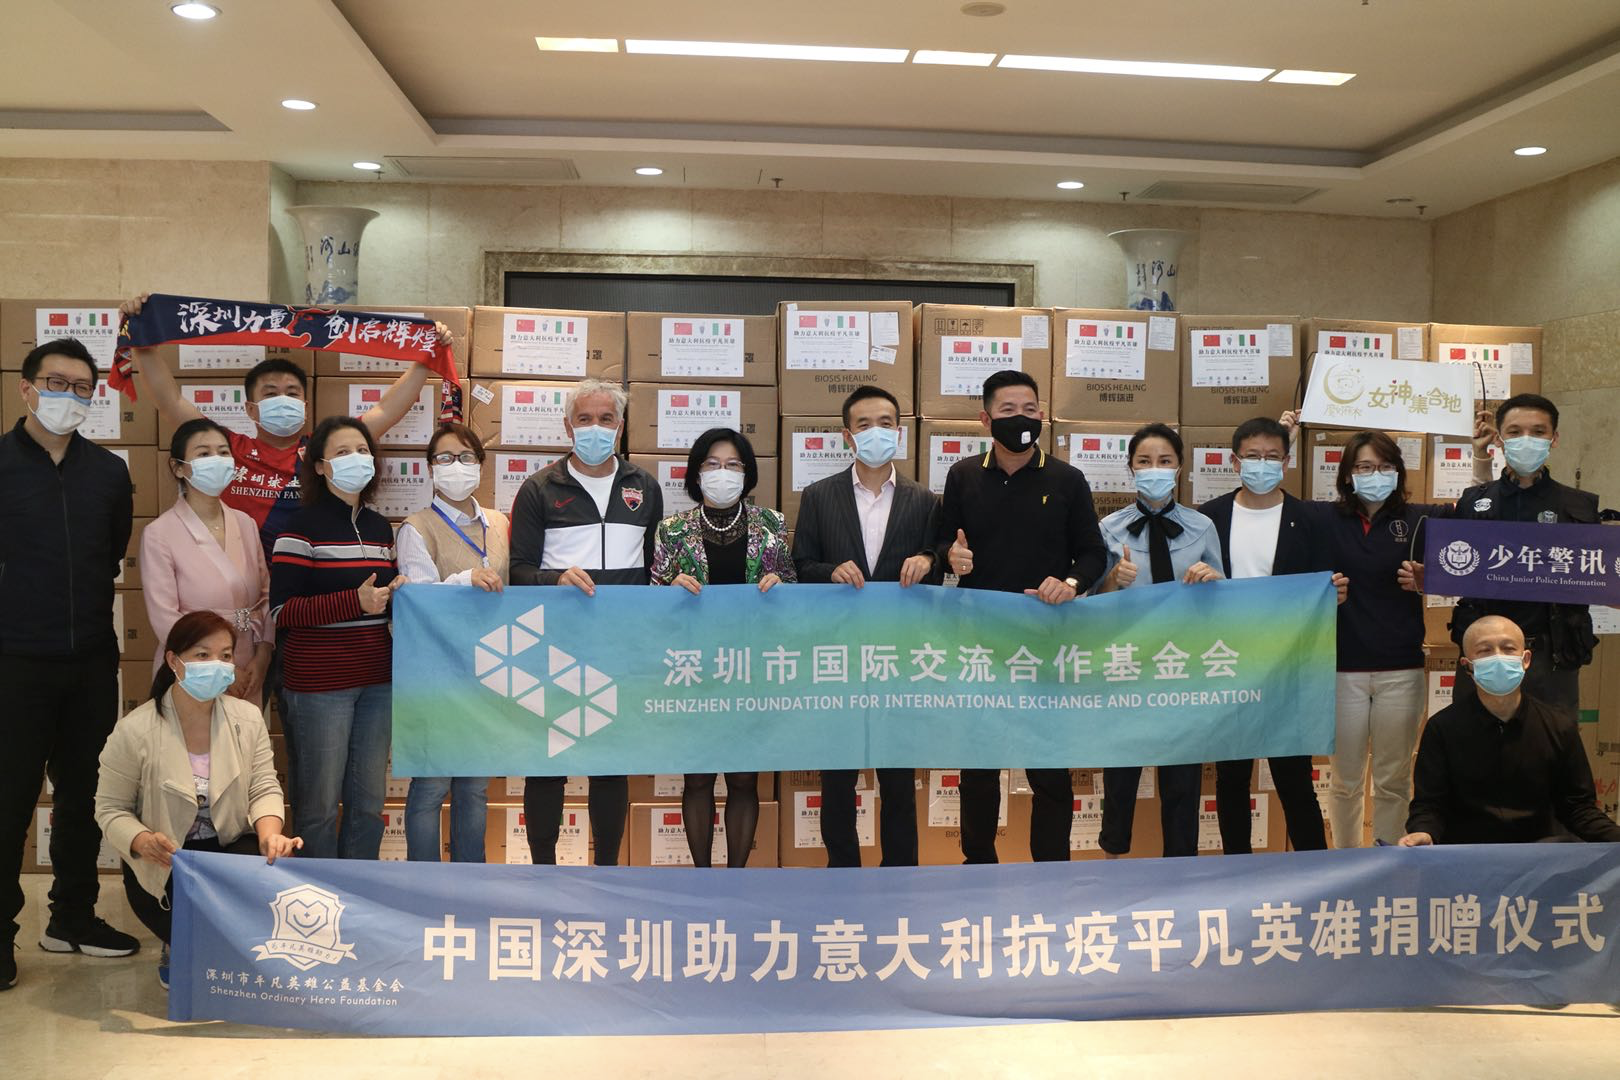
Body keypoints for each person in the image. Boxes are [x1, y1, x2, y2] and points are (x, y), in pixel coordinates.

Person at [1280, 411, 1494, 847]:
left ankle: (1388, 859)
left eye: (1383, 466)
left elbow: (1477, 521)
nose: (1374, 474)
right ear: (1347, 474)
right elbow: (1275, 506)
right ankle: (1346, 861)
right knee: (1344, 780)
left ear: (1398, 471)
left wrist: (1480, 458)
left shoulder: (1420, 518)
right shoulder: (1322, 518)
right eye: (1363, 466)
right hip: (1340, 670)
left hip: (1401, 669)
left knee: (1393, 779)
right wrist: (1286, 442)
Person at [2, 338, 141, 990]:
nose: (70, 396)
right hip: (14, 660)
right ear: (27, 388)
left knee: (86, 795)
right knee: (9, 799)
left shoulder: (108, 473)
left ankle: (74, 917)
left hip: (89, 658)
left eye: (83, 387)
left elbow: (109, 553)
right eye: (57, 383)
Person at [932, 369, 1108, 863]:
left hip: (1045, 643)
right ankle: (978, 864)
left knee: (1049, 768)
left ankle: (1051, 870)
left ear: (1043, 416)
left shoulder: (1067, 479)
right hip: (979, 645)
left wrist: (1070, 582)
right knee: (979, 769)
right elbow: (941, 541)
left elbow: (1093, 553)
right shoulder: (963, 475)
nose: (1022, 419)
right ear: (985, 419)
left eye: (1030, 410)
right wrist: (950, 557)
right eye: (1008, 411)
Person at [95, 611, 301, 988]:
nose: (216, 665)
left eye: (225, 656)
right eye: (202, 655)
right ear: (174, 661)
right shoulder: (134, 730)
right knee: (189, 931)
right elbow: (110, 809)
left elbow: (263, 788)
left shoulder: (247, 719)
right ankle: (177, 942)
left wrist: (271, 834)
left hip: (227, 846)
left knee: (276, 875)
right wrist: (141, 840)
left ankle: (227, 943)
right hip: (168, 856)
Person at [509, 379, 662, 865]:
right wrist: (554, 578)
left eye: (606, 419)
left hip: (621, 646)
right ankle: (543, 871)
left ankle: (607, 868)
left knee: (610, 764)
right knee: (547, 763)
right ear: (567, 426)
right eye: (585, 419)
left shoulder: (645, 487)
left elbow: (656, 565)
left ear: (621, 426)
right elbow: (517, 571)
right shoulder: (538, 488)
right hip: (557, 645)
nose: (596, 428)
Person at [791, 386, 940, 867]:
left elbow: (938, 566)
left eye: (885, 423)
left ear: (900, 432)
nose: (876, 431)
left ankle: (900, 874)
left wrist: (928, 559)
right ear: (847, 436)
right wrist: (829, 571)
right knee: (838, 778)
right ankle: (843, 873)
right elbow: (800, 565)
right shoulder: (819, 496)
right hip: (838, 656)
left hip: (900, 657)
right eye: (864, 424)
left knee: (898, 780)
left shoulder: (924, 500)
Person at [1200, 417, 1345, 854]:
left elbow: (1325, 581)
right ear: (1234, 461)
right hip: (1228, 661)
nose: (1261, 464)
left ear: (1286, 462)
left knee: (1294, 775)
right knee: (1231, 776)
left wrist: (1333, 593)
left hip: (1289, 665)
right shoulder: (1210, 517)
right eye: (1252, 456)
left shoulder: (1311, 518)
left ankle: (1314, 867)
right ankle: (1237, 867)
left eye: (1271, 457)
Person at [652, 427, 795, 867]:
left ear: (747, 474)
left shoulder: (772, 524)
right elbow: (651, 600)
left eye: (733, 464)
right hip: (693, 670)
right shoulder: (671, 530)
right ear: (696, 473)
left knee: (743, 780)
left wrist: (780, 585)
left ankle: (736, 875)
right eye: (712, 464)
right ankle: (702, 874)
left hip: (750, 669)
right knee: (697, 779)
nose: (723, 472)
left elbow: (794, 589)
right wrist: (669, 589)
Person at [269, 416, 407, 860]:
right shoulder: (299, 527)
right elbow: (281, 612)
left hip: (377, 682)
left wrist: (398, 595)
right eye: (343, 452)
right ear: (320, 466)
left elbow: (380, 601)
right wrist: (354, 602)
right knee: (319, 806)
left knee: (368, 803)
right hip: (319, 686)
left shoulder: (381, 527)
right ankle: (316, 893)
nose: (356, 459)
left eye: (363, 451)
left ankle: (359, 888)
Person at [1093, 423, 1225, 858]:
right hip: (1127, 665)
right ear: (1131, 468)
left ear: (1180, 468)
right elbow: (1092, 605)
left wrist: (1213, 578)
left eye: (1164, 461)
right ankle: (1113, 857)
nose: (1155, 469)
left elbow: (1227, 602)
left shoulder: (1202, 526)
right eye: (1145, 461)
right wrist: (1113, 579)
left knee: (1182, 777)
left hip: (1182, 667)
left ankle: (1182, 864)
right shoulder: (1109, 528)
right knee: (1121, 773)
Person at [1430, 395, 1598, 726]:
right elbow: (1455, 565)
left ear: (1554, 438)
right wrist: (1431, 575)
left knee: (1553, 743)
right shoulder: (1475, 501)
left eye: (1538, 432)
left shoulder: (1579, 506)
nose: (1527, 440)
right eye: (1515, 431)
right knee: (1472, 742)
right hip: (1483, 653)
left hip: (1552, 655)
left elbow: (1594, 572)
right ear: (1500, 438)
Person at [1400, 615, 1620, 845]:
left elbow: (1579, 808)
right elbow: (1429, 805)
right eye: (1485, 650)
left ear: (1526, 659)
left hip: (1539, 854)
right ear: (1467, 666)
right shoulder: (1441, 728)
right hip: (1466, 854)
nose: (1498, 657)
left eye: (1508, 649)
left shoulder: (1559, 727)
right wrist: (1423, 832)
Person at [396, 422, 508, 862]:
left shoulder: (499, 523)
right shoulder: (416, 527)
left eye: (465, 457)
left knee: (475, 787)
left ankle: (470, 878)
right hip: (437, 675)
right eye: (444, 457)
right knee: (431, 785)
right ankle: (424, 881)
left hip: (489, 670)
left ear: (481, 464)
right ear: (430, 468)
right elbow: (420, 602)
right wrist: (465, 579)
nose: (455, 466)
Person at [141, 418, 272, 703]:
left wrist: (262, 657)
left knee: (243, 731)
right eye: (203, 454)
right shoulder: (159, 533)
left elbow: (265, 597)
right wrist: (223, 667)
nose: (216, 460)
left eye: (223, 452)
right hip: (193, 668)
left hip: (248, 664)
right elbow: (164, 617)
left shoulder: (245, 523)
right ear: (178, 467)